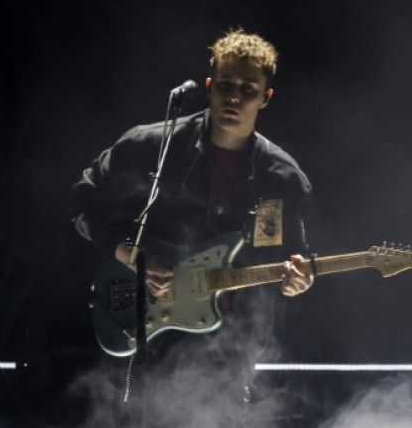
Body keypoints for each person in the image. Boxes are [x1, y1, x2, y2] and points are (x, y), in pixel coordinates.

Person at [69, 29, 313, 423]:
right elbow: (83, 199)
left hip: (227, 342)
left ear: (265, 98)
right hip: (147, 324)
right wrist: (125, 252)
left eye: (248, 89)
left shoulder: (280, 177)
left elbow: (289, 257)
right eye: (225, 85)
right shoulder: (151, 145)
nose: (234, 97)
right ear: (209, 86)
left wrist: (299, 277)